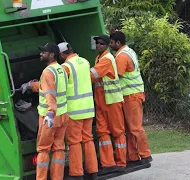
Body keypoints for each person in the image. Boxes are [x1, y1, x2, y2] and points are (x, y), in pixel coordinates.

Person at [21, 43, 69, 180]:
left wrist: (49, 113)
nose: (41, 54)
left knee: (43, 149)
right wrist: (31, 85)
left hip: (50, 118)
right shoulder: (60, 70)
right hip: (63, 115)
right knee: (59, 148)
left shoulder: (47, 72)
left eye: (44, 52)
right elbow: (50, 88)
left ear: (52, 54)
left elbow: (50, 95)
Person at [109, 31, 152, 165]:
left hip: (131, 95)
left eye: (111, 43)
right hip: (133, 94)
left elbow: (117, 76)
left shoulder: (121, 57)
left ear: (118, 43)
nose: (110, 45)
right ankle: (133, 156)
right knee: (130, 128)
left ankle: (145, 154)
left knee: (135, 127)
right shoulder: (129, 51)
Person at [58, 42, 98, 180]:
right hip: (88, 108)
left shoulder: (66, 67)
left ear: (62, 54)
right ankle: (93, 171)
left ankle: (76, 173)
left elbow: (58, 86)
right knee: (88, 139)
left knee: (74, 142)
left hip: (74, 110)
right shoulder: (85, 62)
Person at [89, 35, 126, 175]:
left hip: (112, 101)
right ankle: (108, 164)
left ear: (107, 46)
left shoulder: (107, 59)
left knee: (117, 132)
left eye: (101, 43)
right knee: (102, 132)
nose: (98, 45)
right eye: (96, 43)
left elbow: (91, 76)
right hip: (101, 101)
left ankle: (121, 163)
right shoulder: (99, 58)